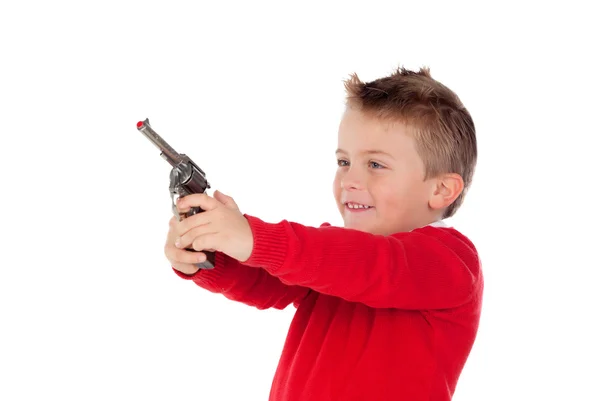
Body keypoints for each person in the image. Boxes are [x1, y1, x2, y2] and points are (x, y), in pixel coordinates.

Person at [164, 66, 483, 401]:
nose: (349, 181)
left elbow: (368, 265)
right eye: (344, 162)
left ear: (442, 189)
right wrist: (206, 253)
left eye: (375, 165)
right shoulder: (330, 262)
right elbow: (270, 280)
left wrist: (252, 238)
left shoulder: (449, 260)